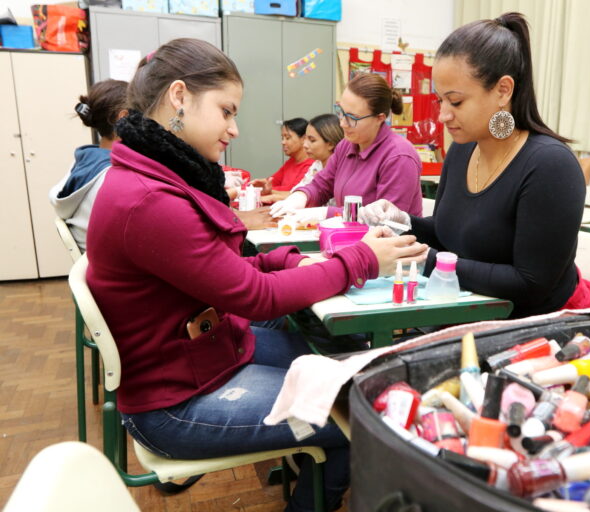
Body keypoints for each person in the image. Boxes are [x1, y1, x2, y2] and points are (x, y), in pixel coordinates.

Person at [85, 38, 427, 512]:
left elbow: (227, 265)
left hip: (199, 355)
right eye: (226, 112)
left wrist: (291, 260)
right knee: (361, 411)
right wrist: (360, 260)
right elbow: (254, 295)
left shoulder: (155, 175)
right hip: (175, 397)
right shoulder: (151, 197)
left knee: (332, 355)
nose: (234, 129)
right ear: (180, 97)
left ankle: (307, 470)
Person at [358, 13, 590, 319]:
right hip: (465, 310)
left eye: (456, 102)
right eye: (440, 101)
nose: (443, 116)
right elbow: (450, 235)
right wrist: (403, 223)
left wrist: (425, 261)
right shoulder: (463, 150)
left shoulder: (549, 166)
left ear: (503, 90)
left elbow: (531, 284)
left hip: (536, 329)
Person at [270, 73, 423, 220]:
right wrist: (301, 196)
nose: (342, 123)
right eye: (341, 112)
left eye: (352, 118)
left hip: (389, 243)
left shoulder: (399, 157)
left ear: (379, 118)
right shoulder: (346, 146)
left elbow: (385, 219)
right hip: (351, 237)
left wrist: (326, 213)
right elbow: (322, 184)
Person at [49, 79, 128, 252]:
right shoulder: (115, 177)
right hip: (110, 266)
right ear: (124, 119)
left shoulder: (85, 159)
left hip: (91, 260)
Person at [256, 118, 314, 203]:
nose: (283, 142)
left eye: (287, 138)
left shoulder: (312, 165)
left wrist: (268, 190)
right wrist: (262, 184)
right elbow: (273, 181)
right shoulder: (291, 161)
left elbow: (294, 192)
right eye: (282, 138)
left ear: (303, 139)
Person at [291, 113, 344, 194]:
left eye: (312, 140)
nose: (305, 145)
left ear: (330, 144)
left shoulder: (341, 170)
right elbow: (298, 190)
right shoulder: (317, 164)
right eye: (305, 139)